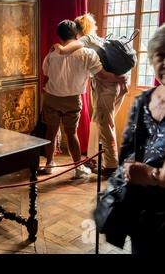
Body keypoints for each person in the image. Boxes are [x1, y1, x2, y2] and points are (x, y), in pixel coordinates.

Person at [42, 20, 126, 178]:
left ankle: (49, 164)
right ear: (77, 34)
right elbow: (102, 74)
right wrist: (117, 78)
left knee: (51, 132)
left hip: (51, 97)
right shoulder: (87, 54)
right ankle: (77, 168)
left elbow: (46, 73)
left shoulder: (52, 53)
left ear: (59, 35)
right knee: (72, 134)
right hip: (72, 99)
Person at [117, 24, 165, 253]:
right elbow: (128, 147)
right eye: (160, 55)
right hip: (142, 214)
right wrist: (127, 166)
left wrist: (152, 175)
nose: (164, 63)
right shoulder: (143, 101)